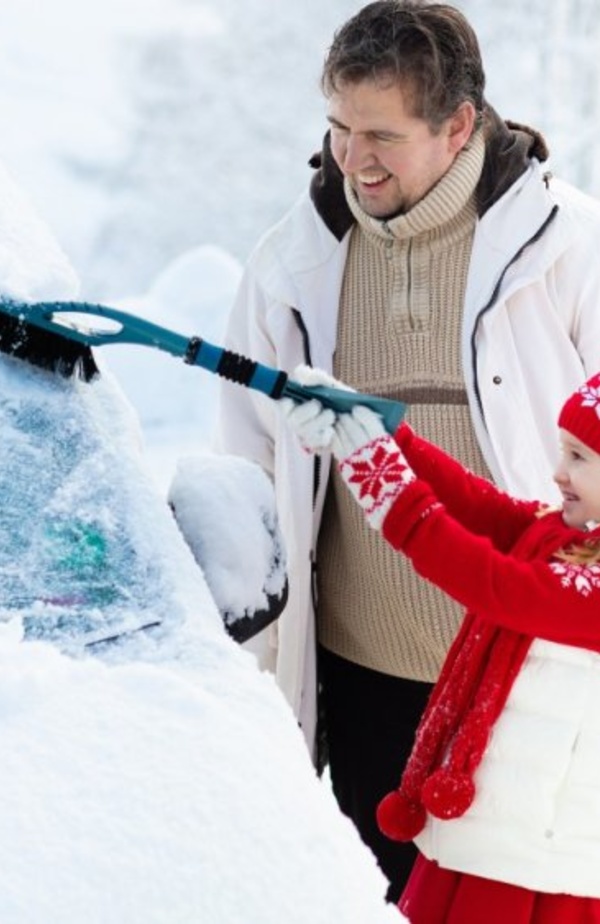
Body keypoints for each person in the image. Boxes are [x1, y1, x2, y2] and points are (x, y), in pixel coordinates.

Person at [216, 0, 600, 902]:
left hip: (535, 684)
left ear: (457, 124)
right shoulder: (292, 260)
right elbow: (250, 457)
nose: (353, 158)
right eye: (339, 128)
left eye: (381, 133)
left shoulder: (569, 247)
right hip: (363, 677)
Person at [281, 368, 600, 923]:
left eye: (579, 457)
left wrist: (384, 483)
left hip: (537, 872)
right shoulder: (570, 540)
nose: (558, 472)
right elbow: (483, 510)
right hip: (490, 838)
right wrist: (380, 433)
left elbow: (494, 585)